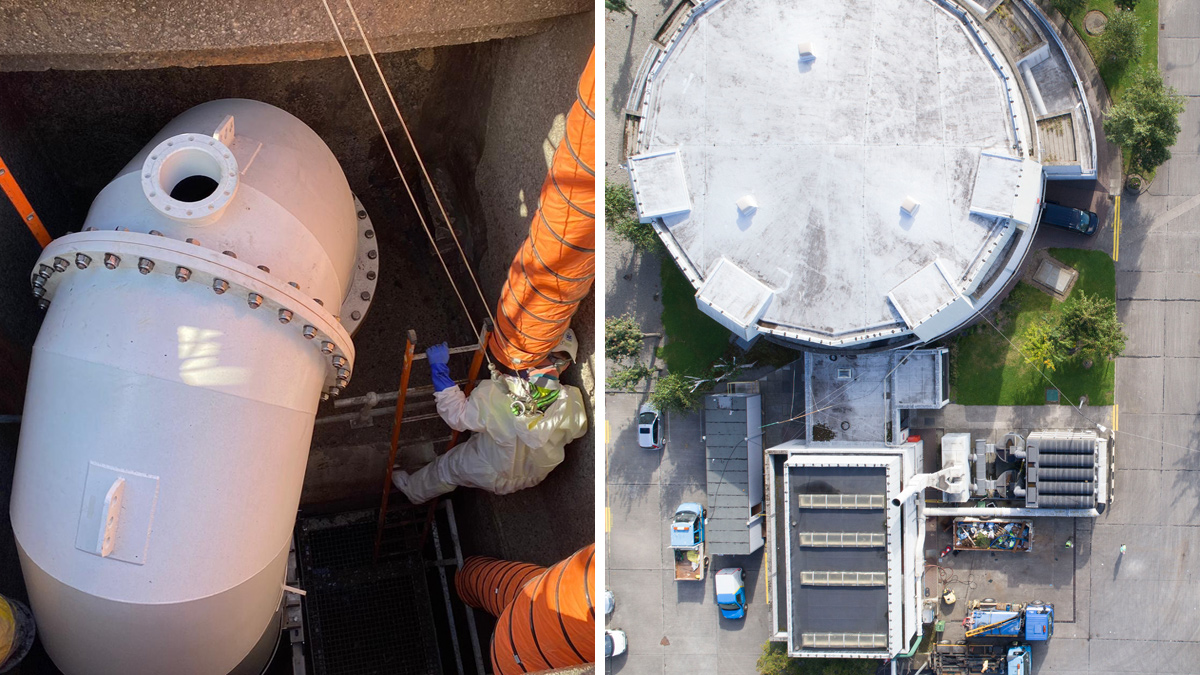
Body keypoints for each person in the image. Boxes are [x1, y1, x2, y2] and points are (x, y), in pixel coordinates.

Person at [391, 330, 589, 504]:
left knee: (447, 469)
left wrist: (439, 370)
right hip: (534, 474)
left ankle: (413, 491)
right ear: (566, 365)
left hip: (490, 471)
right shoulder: (573, 400)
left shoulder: (499, 392)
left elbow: (457, 416)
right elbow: (574, 432)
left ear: (532, 355)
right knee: (500, 433)